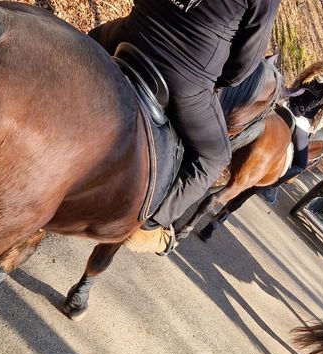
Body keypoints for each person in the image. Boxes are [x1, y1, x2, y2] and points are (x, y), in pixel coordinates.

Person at [87, 0, 282, 254]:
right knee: (215, 156)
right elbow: (244, 65)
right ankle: (149, 225)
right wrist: (211, 78)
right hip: (186, 77)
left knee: (84, 45)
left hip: (133, 33)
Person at [259, 48, 323, 204]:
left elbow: (297, 82)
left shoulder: (317, 67)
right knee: (299, 164)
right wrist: (312, 129)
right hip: (300, 120)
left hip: (285, 104)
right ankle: (269, 187)